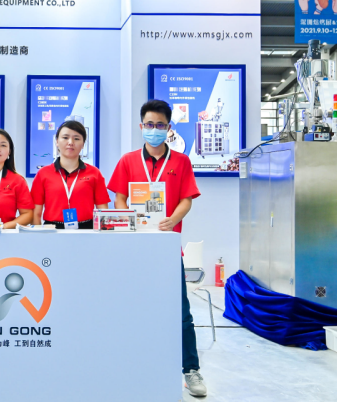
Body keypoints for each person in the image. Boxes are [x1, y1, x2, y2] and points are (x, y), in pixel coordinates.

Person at [107, 99, 206, 397]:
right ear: (141, 126)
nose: (154, 129)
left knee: (181, 312)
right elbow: (119, 198)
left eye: (160, 125)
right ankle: (132, 364)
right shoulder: (127, 161)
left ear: (169, 128)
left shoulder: (181, 162)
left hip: (167, 247)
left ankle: (191, 369)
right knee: (131, 307)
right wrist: (128, 218)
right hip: (135, 248)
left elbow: (187, 199)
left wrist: (173, 219)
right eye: (149, 124)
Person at [30, 120, 110, 229]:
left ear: (83, 144)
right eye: (65, 137)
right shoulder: (43, 174)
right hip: (52, 230)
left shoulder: (94, 173)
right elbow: (36, 212)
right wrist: (37, 235)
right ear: (57, 141)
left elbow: (103, 210)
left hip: (87, 230)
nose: (71, 142)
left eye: (76, 138)